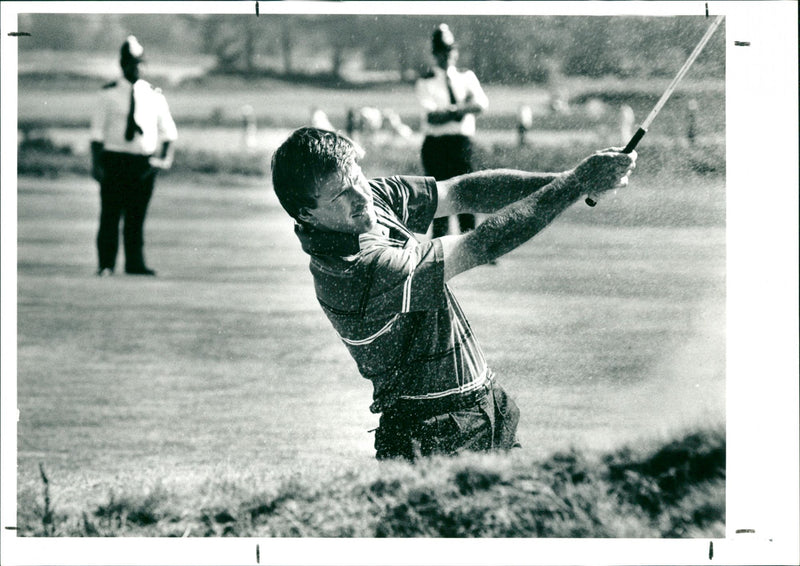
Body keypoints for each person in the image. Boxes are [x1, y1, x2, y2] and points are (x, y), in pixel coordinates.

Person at [270, 127, 636, 461]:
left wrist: (572, 180)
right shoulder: (355, 270)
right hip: (432, 432)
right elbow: (484, 244)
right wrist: (574, 185)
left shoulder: (369, 199)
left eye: (356, 178)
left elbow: (462, 191)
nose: (360, 195)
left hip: (484, 409)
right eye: (339, 195)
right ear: (307, 213)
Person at [90, 35, 178, 277]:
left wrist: (165, 159)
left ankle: (135, 264)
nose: (135, 67)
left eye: (139, 63)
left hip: (142, 163)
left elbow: (169, 131)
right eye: (130, 63)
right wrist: (96, 165)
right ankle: (106, 264)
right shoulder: (107, 94)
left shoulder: (153, 94)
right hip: (115, 160)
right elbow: (97, 135)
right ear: (122, 64)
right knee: (110, 215)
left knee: (136, 218)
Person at [415, 23, 488, 239]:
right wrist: (463, 108)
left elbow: (481, 105)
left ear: (455, 52)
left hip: (461, 143)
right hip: (437, 144)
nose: (446, 56)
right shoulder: (425, 82)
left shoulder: (467, 77)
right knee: (439, 197)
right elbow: (432, 117)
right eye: (441, 52)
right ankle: (439, 246)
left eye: (449, 50)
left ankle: (471, 243)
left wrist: (451, 111)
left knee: (467, 192)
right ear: (435, 54)